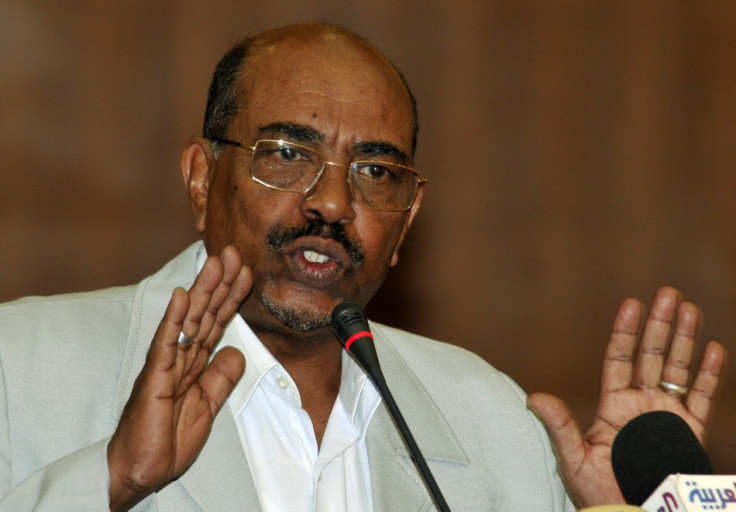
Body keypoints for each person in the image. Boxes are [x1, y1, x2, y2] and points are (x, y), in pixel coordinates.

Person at [0, 22, 726, 512]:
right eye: (287, 154)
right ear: (200, 178)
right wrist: (111, 481)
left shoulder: (491, 420)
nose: (333, 203)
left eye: (376, 170)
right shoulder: (22, 365)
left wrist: (644, 509)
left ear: (406, 219)